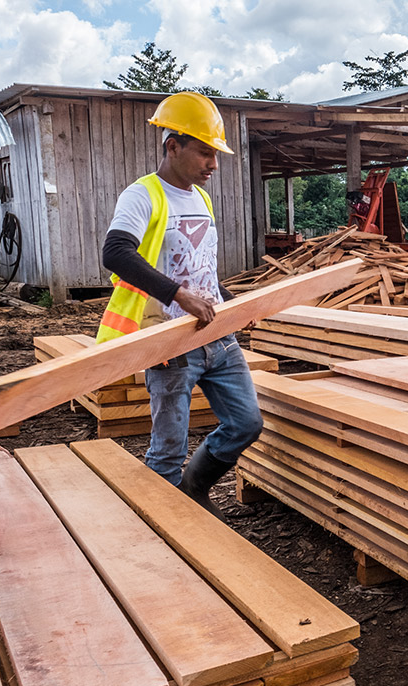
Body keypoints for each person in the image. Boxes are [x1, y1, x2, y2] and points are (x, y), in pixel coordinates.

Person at [96, 91, 262, 521]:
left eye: (215, 154)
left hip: (217, 336)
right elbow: (115, 252)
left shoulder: (202, 199)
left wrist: (234, 305)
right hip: (171, 343)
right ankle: (165, 534)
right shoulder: (143, 195)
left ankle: (193, 492)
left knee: (245, 424)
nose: (214, 164)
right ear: (174, 146)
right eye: (205, 152)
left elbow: (201, 268)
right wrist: (177, 295)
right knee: (167, 451)